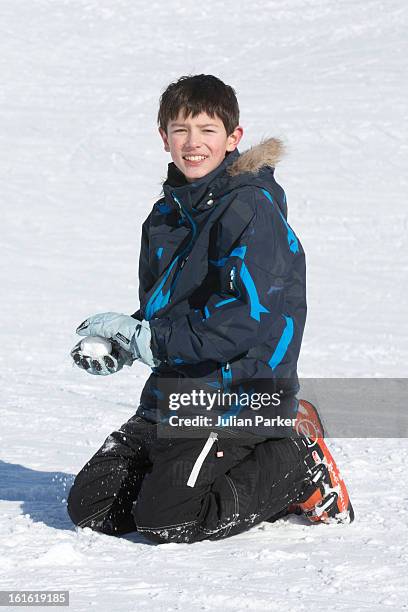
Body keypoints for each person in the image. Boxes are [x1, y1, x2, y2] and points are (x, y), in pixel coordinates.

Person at [67, 75, 354, 543]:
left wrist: (153, 343)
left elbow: (247, 319)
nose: (193, 143)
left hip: (237, 398)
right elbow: (164, 309)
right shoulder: (166, 216)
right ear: (164, 137)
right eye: (181, 129)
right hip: (175, 395)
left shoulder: (250, 210)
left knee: (168, 520)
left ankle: (298, 460)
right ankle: (185, 476)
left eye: (207, 130)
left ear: (233, 138)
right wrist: (127, 341)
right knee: (94, 508)